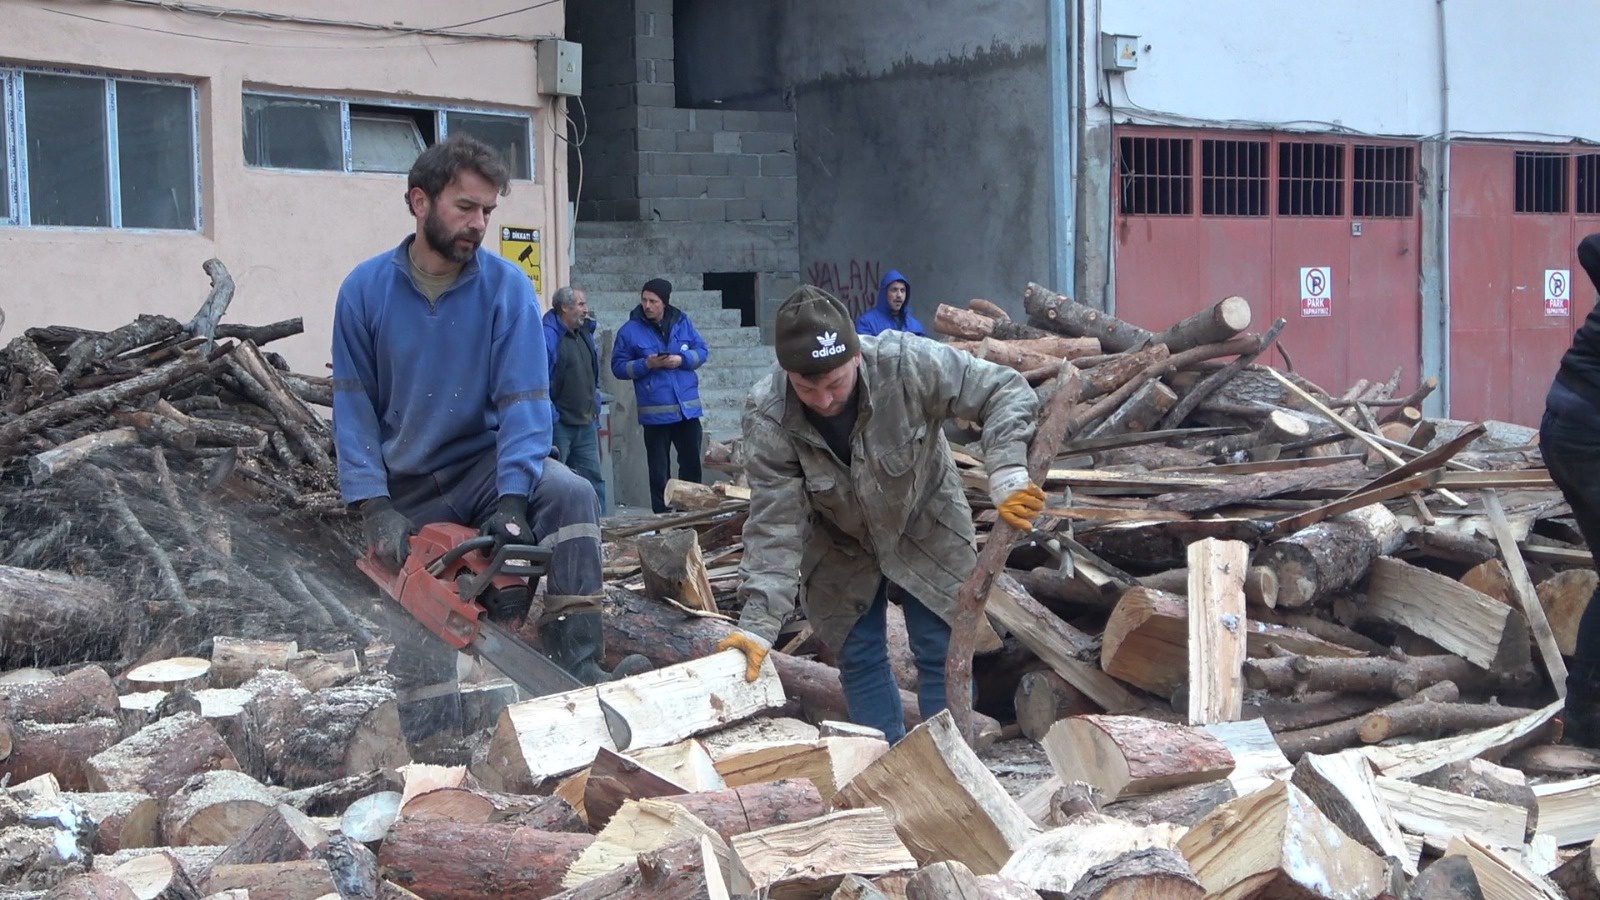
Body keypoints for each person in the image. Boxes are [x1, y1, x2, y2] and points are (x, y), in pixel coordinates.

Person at [330, 134, 646, 686]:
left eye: (488, 211)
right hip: (408, 482)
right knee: (424, 633)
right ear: (420, 202)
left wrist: (513, 497)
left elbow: (523, 401)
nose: (479, 223)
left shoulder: (507, 288)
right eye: (466, 207)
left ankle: (576, 658)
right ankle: (430, 738)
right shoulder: (364, 291)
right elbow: (354, 405)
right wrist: (373, 503)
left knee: (572, 493)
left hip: (484, 466)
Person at [717, 285, 1045, 742]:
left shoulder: (906, 364)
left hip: (925, 519)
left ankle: (953, 769)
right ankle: (883, 771)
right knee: (858, 654)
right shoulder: (769, 413)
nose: (825, 400)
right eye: (807, 388)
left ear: (855, 356)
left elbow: (1004, 390)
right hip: (835, 538)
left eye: (834, 383)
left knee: (941, 648)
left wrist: (1008, 471)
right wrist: (757, 626)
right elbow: (775, 523)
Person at [1544, 232, 1600, 746]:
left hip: (1565, 424)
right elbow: (1590, 246)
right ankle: (1586, 722)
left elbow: (1589, 247)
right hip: (1588, 435)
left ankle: (1585, 721)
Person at [610, 277, 710, 513]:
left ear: (664, 302)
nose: (647, 305)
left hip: (686, 411)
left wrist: (682, 360)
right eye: (644, 300)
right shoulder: (630, 331)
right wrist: (647, 364)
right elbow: (618, 367)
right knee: (658, 473)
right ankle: (662, 522)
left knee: (691, 468)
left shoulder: (682, 322)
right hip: (655, 415)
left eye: (652, 300)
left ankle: (691, 516)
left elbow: (702, 351)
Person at [543, 285, 606, 512]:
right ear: (564, 308)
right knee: (556, 482)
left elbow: (593, 375)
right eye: (580, 304)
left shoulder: (585, 334)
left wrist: (594, 404)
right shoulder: (548, 337)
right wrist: (552, 416)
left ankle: (602, 530)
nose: (585, 310)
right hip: (560, 425)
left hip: (586, 423)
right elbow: (541, 380)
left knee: (594, 481)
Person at [854, 269, 926, 337]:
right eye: (894, 290)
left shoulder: (915, 326)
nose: (899, 295)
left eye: (902, 290)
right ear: (884, 293)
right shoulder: (867, 323)